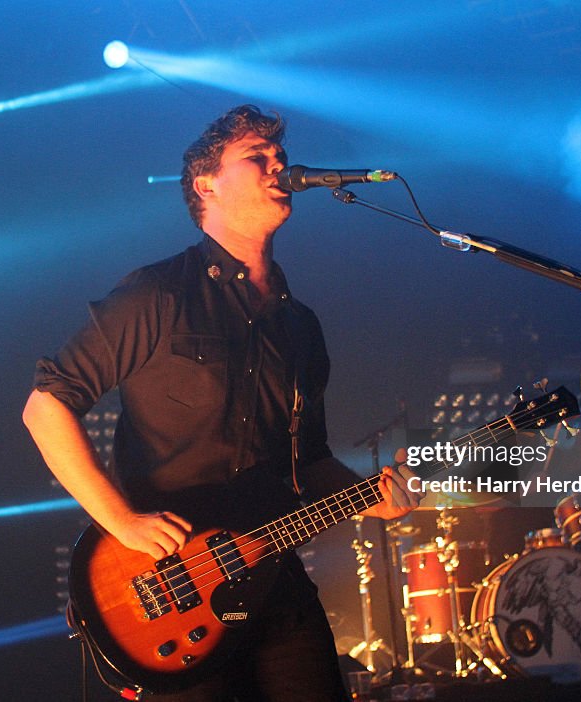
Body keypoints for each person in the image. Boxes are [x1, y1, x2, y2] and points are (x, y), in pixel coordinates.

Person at [22, 104, 421, 701]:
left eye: (279, 156)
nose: (278, 166)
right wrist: (123, 523)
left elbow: (309, 465)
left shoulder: (300, 327)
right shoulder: (157, 294)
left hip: (275, 580)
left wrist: (371, 499)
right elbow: (45, 406)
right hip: (174, 588)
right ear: (206, 184)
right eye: (256, 158)